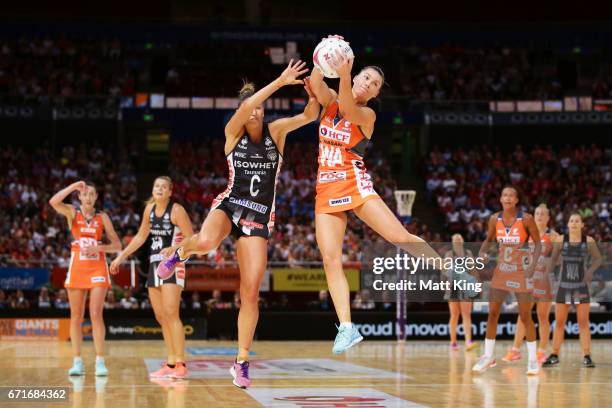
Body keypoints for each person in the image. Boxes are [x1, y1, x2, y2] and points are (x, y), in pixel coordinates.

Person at [155, 60, 320, 389]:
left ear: (265, 112)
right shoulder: (233, 133)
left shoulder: (276, 132)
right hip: (230, 204)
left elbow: (310, 116)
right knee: (205, 242)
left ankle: (242, 361)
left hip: (259, 216)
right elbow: (246, 105)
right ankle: (179, 254)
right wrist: (280, 80)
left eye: (260, 109)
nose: (255, 112)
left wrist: (314, 88)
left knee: (251, 292)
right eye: (252, 108)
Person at [308, 35, 447, 354]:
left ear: (376, 94)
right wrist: (324, 54)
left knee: (401, 236)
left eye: (374, 84)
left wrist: (343, 75)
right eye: (366, 77)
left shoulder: (367, 117)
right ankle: (346, 327)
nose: (368, 83)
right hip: (326, 186)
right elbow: (317, 82)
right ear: (356, 76)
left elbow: (347, 107)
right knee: (331, 259)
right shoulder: (330, 100)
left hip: (353, 182)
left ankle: (447, 269)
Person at [110, 176, 194, 379]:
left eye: (164, 187)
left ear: (170, 192)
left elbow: (192, 239)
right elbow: (140, 236)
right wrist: (121, 256)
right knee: (161, 316)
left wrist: (174, 248)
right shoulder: (148, 210)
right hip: (155, 265)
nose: (159, 189)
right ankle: (171, 362)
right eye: (157, 186)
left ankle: (181, 363)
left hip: (173, 264)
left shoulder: (177, 210)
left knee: (172, 314)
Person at [49, 181, 122, 376]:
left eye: (92, 194)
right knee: (76, 316)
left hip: (97, 267)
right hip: (78, 266)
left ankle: (100, 361)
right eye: (85, 194)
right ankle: (77, 361)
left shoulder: (102, 217)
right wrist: (74, 186)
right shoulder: (72, 212)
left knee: (96, 314)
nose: (88, 197)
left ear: (96, 197)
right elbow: (53, 201)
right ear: (80, 197)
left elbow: (117, 245)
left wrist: (99, 247)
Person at [472, 186, 542, 376]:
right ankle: (488, 357)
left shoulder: (526, 219)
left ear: (517, 200)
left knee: (526, 316)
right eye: (504, 195)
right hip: (502, 270)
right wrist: (482, 255)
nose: (507, 198)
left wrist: (532, 265)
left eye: (511, 195)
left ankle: (533, 360)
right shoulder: (495, 219)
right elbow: (488, 240)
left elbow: (537, 244)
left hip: (521, 272)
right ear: (500, 199)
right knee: (493, 313)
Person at [543, 214, 602, 368]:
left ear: (582, 225)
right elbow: (553, 261)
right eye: (571, 221)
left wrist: (590, 271)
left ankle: (587, 355)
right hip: (563, 286)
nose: (574, 223)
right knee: (559, 323)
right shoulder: (561, 240)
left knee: (583, 322)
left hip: (580, 287)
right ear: (568, 224)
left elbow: (598, 258)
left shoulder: (588, 241)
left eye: (577, 221)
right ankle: (554, 354)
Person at [502, 204, 558, 364]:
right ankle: (515, 350)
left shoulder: (553, 236)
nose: (539, 216)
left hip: (545, 280)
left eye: (543, 214)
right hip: (528, 280)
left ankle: (541, 352)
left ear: (548, 218)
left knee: (543, 317)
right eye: (537, 213)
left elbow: (558, 259)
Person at [445, 234, 478, 351]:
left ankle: (468, 341)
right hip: (453, 286)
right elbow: (446, 271)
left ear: (463, 241)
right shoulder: (449, 254)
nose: (458, 241)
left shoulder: (468, 253)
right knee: (454, 314)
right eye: (455, 239)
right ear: (452, 242)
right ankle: (453, 342)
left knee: (466, 314)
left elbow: (473, 270)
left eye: (459, 239)